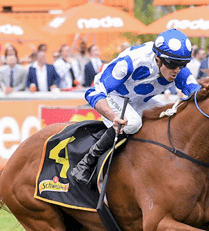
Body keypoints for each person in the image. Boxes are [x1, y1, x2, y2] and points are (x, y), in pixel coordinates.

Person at [71, 28, 201, 185]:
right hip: (115, 96)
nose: (177, 71)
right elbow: (93, 92)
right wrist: (113, 117)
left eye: (182, 65)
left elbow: (197, 94)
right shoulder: (132, 61)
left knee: (172, 116)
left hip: (142, 100)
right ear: (158, 59)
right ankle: (86, 162)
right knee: (132, 123)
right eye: (173, 65)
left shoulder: (175, 65)